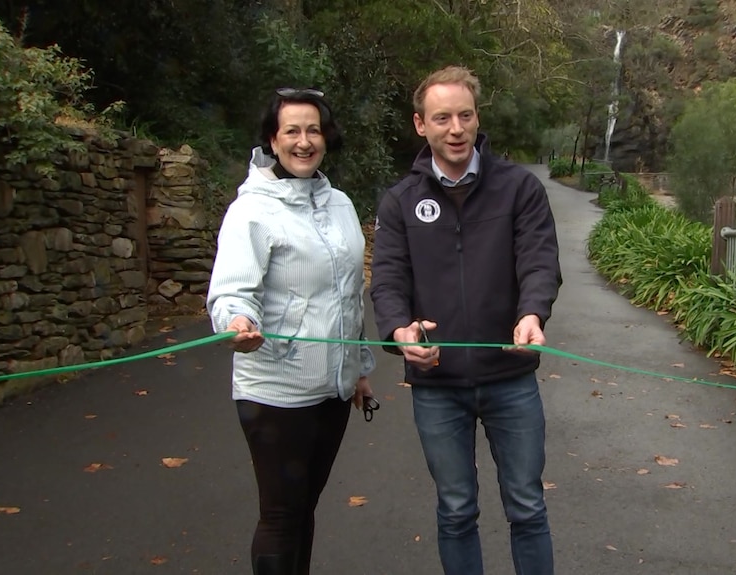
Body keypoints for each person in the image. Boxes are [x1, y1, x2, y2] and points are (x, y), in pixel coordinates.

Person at [370, 66, 562, 575]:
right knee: (456, 512)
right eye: (442, 118)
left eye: (465, 115)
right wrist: (398, 332)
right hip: (437, 385)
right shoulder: (399, 202)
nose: (455, 128)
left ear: (477, 119)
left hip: (510, 380)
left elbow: (539, 261)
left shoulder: (518, 188)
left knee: (527, 507)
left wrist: (531, 313)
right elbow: (387, 282)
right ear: (420, 125)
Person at [206, 88, 375, 575]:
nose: (304, 142)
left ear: (327, 137)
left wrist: (359, 370)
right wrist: (239, 322)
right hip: (276, 391)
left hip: (333, 391)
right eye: (292, 131)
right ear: (272, 140)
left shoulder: (340, 203)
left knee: (303, 510)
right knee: (281, 515)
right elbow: (232, 292)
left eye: (313, 130)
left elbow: (347, 296)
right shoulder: (251, 210)